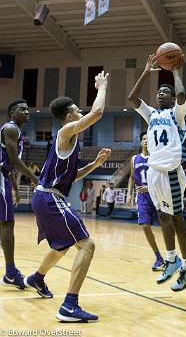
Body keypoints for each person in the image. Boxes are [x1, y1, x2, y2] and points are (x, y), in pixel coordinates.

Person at [24, 71, 111, 322]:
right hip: (51, 199)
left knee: (62, 246)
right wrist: (101, 87)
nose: (82, 114)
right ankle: (69, 306)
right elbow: (97, 114)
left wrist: (95, 164)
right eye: (77, 111)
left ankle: (37, 277)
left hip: (48, 197)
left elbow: (72, 176)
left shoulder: (70, 142)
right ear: (70, 116)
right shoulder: (65, 132)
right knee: (87, 244)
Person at [128, 53, 186, 292]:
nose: (160, 93)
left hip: (170, 172)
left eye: (165, 92)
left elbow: (182, 95)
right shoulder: (151, 115)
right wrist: (146, 72)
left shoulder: (177, 115)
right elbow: (131, 98)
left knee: (177, 220)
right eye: (158, 91)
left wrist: (176, 70)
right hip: (154, 172)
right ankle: (171, 260)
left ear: (172, 99)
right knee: (162, 216)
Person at [0, 99, 38, 289]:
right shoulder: (11, 129)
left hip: (4, 176)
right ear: (12, 113)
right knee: (7, 223)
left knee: (5, 223)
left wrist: (15, 188)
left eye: (28, 109)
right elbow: (13, 161)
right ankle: (11, 272)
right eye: (22, 109)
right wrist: (34, 177)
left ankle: (10, 271)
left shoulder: (17, 132)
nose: (27, 112)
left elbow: (8, 165)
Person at [127, 131, 164, 271]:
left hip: (157, 195)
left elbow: (161, 178)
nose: (146, 141)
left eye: (149, 139)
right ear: (141, 142)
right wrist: (129, 194)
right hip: (142, 198)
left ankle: (172, 257)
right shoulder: (134, 159)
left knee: (167, 226)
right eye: (144, 139)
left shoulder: (157, 158)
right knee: (145, 226)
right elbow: (131, 177)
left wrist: (150, 187)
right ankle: (159, 257)